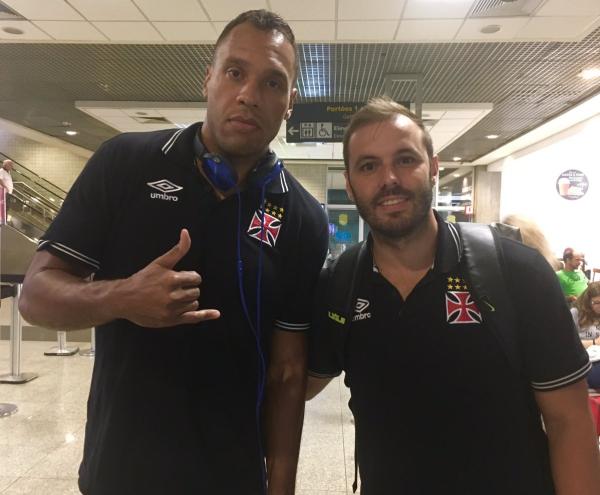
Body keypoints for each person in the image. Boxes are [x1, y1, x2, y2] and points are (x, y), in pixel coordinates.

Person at [19, 10, 328, 495]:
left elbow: (288, 373)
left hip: (234, 479)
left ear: (290, 102)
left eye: (273, 82)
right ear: (208, 78)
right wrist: (121, 298)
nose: (249, 94)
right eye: (235, 72)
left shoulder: (303, 218)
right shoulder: (124, 163)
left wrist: (281, 486)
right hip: (121, 473)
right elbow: (35, 296)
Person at [306, 97, 600, 494]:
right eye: (369, 166)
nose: (389, 178)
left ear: (433, 168)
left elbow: (569, 422)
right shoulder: (342, 282)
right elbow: (293, 381)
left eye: (405, 160)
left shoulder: (516, 272)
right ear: (350, 182)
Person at [572, 282, 600, 388]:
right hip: (585, 357)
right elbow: (567, 343)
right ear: (588, 301)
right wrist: (594, 342)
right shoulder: (576, 313)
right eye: (597, 302)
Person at [0, 159, 14, 225]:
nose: (12, 166)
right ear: (6, 165)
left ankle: (4, 222)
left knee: (6, 207)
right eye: (10, 164)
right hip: (3, 193)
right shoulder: (1, 171)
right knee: (3, 207)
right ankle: (2, 222)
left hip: (8, 193)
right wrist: (5, 187)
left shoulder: (8, 173)